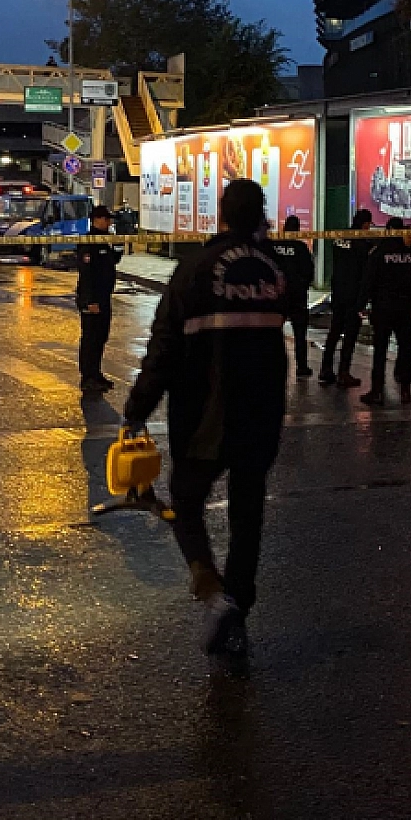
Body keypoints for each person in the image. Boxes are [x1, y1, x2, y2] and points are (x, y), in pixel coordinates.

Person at [121, 179, 287, 665]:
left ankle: (210, 585)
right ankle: (237, 610)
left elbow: (164, 349)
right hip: (263, 413)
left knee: (186, 502)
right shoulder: (275, 269)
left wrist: (136, 412)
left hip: (206, 416)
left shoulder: (193, 268)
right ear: (260, 214)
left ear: (221, 213)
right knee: (248, 513)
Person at [358, 217, 411, 408]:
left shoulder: (379, 252)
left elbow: (368, 281)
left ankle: (377, 391)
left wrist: (361, 305)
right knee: (406, 349)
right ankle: (405, 390)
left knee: (380, 351)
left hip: (383, 309)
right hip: (405, 310)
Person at [318, 209, 372, 388]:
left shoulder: (340, 238)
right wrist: (363, 301)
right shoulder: (362, 244)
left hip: (339, 291)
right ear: (365, 224)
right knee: (349, 335)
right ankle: (343, 372)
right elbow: (364, 273)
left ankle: (325, 369)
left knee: (334, 331)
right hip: (353, 295)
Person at [74, 205, 121, 395]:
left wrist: (118, 246)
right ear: (96, 220)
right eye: (106, 219)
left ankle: (96, 373)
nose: (109, 222)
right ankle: (87, 377)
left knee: (101, 336)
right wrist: (88, 301)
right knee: (91, 338)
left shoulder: (104, 240)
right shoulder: (89, 241)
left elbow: (113, 261)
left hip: (104, 297)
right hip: (92, 298)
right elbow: (86, 274)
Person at [269, 215, 316, 379]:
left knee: (273, 332)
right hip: (297, 296)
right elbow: (309, 271)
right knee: (300, 333)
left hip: (277, 296)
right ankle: (301, 366)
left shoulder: (273, 246)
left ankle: (272, 364)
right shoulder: (301, 248)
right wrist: (302, 286)